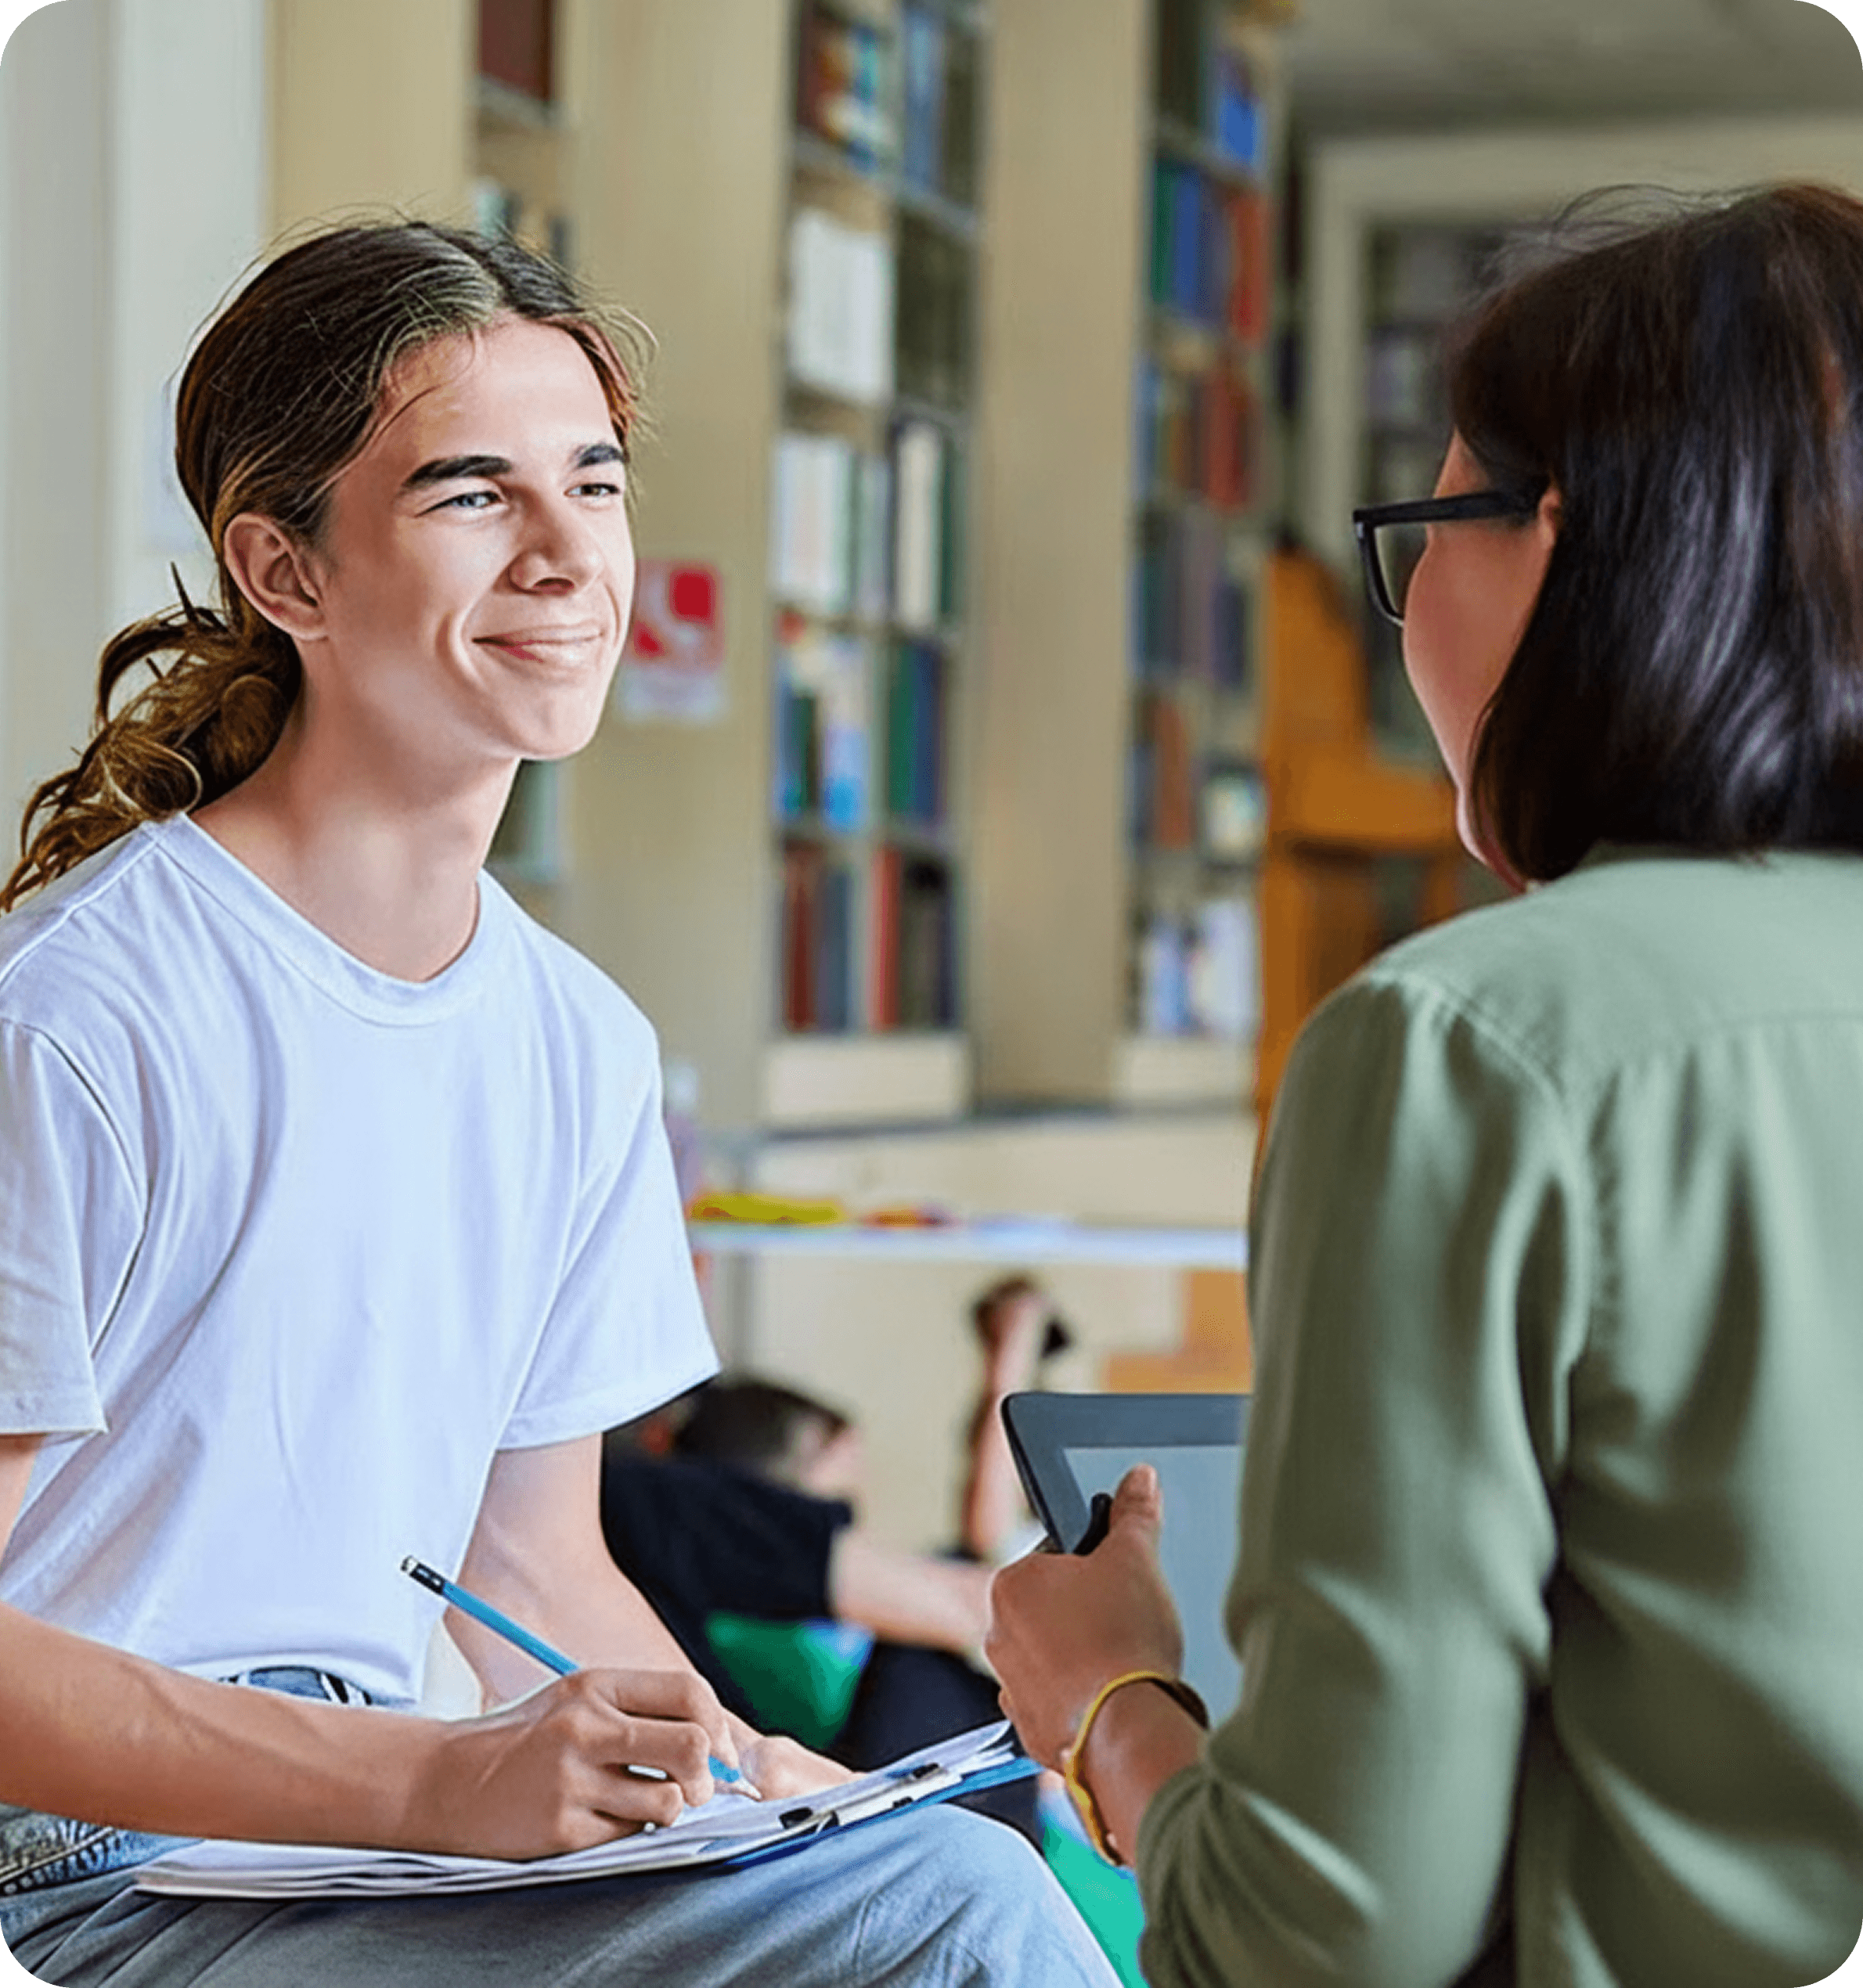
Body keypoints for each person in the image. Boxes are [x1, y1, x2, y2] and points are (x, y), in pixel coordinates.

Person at [0, 218, 1117, 1987]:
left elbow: (535, 1561)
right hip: (73, 1889)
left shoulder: (573, 1043)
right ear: (282, 567)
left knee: (952, 1885)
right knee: (949, 1930)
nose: (566, 556)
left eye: (589, 484)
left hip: (351, 1857)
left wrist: (757, 1777)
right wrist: (432, 1772)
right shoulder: (81, 1007)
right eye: (470, 495)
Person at [988, 182, 1863, 1988]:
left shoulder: (1472, 1041)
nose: (1408, 615)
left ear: (1569, 540)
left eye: (1427, 529)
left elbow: (1328, 1940)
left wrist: (1112, 1705)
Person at [600, 1280, 1065, 1831]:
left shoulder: (635, 1533)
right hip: (821, 1817)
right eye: (839, 1507)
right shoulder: (681, 1516)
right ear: (775, 1503)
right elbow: (973, 1595)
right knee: (939, 1643)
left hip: (787, 1805)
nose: (855, 1524)